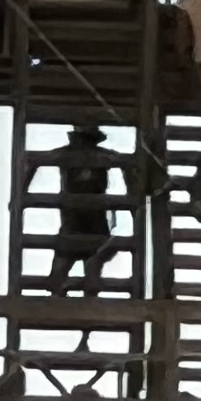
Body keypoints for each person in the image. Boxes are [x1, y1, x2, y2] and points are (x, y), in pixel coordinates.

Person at [46, 123, 122, 303]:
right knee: (63, 269)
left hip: (89, 220)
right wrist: (20, 192)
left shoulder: (99, 155)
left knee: (88, 267)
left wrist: (21, 191)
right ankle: (61, 299)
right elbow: (34, 161)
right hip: (76, 220)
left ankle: (80, 300)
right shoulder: (72, 154)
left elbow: (34, 161)